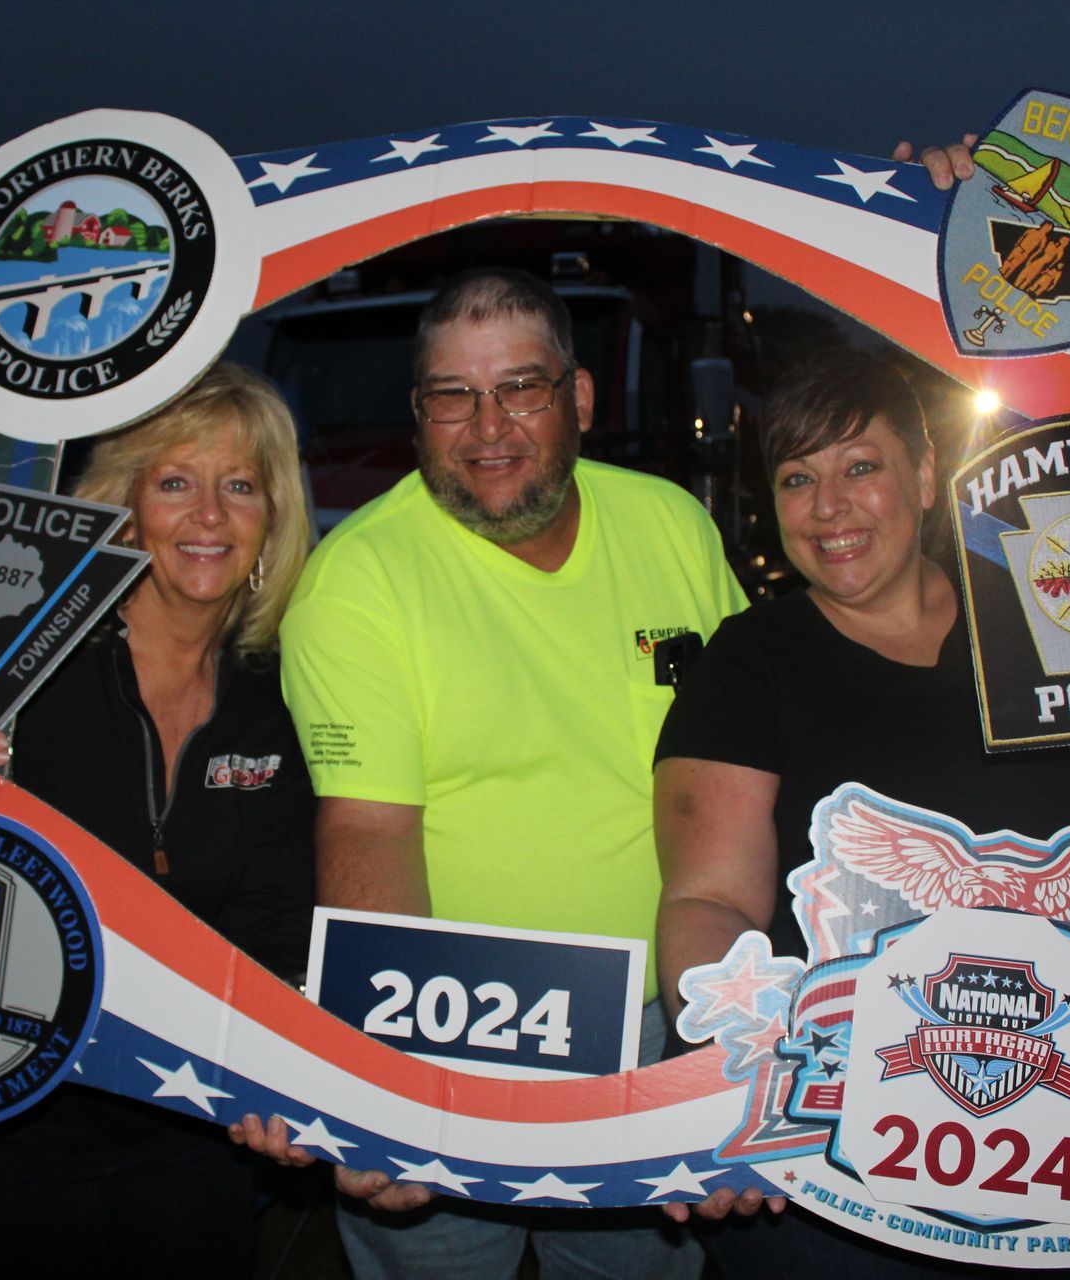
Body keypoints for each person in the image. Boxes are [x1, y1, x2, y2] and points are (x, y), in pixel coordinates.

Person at [245, 266, 744, 1279]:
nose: (488, 428)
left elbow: (744, 759)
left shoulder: (672, 524)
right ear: (417, 412)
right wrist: (386, 1079)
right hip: (450, 1031)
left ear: (580, 398)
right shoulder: (359, 579)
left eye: (521, 388)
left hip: (659, 1022)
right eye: (452, 396)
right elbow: (367, 826)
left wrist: (728, 1015)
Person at [0, 361, 316, 1278]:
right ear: (122, 509)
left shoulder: (275, 697)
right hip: (0, 1133)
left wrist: (277, 1062)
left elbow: (274, 911)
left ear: (274, 519)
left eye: (241, 486)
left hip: (185, 1129)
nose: (210, 515)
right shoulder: (17, 656)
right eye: (176, 483)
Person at [652, 350, 1070, 1275]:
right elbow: (709, 903)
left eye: (860, 467)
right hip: (836, 1131)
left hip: (1067, 1104)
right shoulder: (748, 663)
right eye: (797, 479)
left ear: (927, 477)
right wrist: (739, 1076)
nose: (828, 508)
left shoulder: (1049, 629)